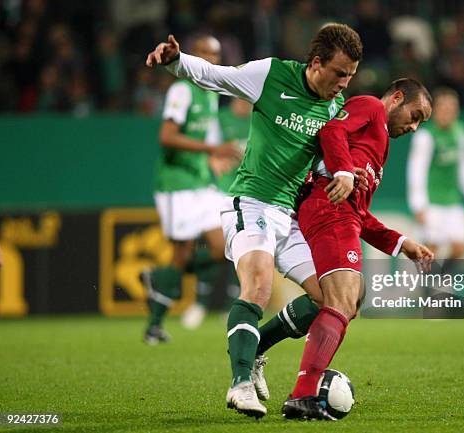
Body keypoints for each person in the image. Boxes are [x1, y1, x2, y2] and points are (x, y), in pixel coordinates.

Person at [146, 23, 363, 418]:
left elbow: (321, 158)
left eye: (350, 75)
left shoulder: (335, 106)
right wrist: (177, 61)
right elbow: (217, 76)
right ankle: (240, 384)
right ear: (316, 63)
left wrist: (343, 172)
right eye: (339, 73)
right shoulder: (272, 74)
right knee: (258, 288)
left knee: (333, 299)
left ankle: (257, 347)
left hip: (289, 215)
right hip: (252, 203)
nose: (344, 83)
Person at [254, 78, 435, 420]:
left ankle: (256, 347)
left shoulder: (380, 146)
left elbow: (359, 211)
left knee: (343, 298)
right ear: (396, 97)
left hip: (342, 213)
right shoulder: (369, 106)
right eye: (415, 115)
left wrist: (400, 242)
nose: (413, 126)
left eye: (420, 123)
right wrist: (342, 171)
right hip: (328, 209)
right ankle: (303, 395)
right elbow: (331, 131)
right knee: (342, 298)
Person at [142, 34, 242, 344]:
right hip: (176, 184)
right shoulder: (182, 90)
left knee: (221, 246)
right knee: (181, 254)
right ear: (191, 55)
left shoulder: (210, 94)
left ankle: (158, 278)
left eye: (214, 54)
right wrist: (212, 148)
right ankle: (154, 327)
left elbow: (203, 138)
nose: (209, 59)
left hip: (200, 182)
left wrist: (212, 158)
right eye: (202, 53)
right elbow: (167, 136)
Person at [408, 87, 464, 259]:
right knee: (430, 249)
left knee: (461, 248)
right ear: (435, 110)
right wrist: (418, 205)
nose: (447, 112)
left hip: (453, 201)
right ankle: (428, 284)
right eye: (443, 108)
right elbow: (416, 172)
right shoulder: (425, 136)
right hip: (432, 202)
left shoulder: (461, 132)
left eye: (452, 108)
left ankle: (438, 280)